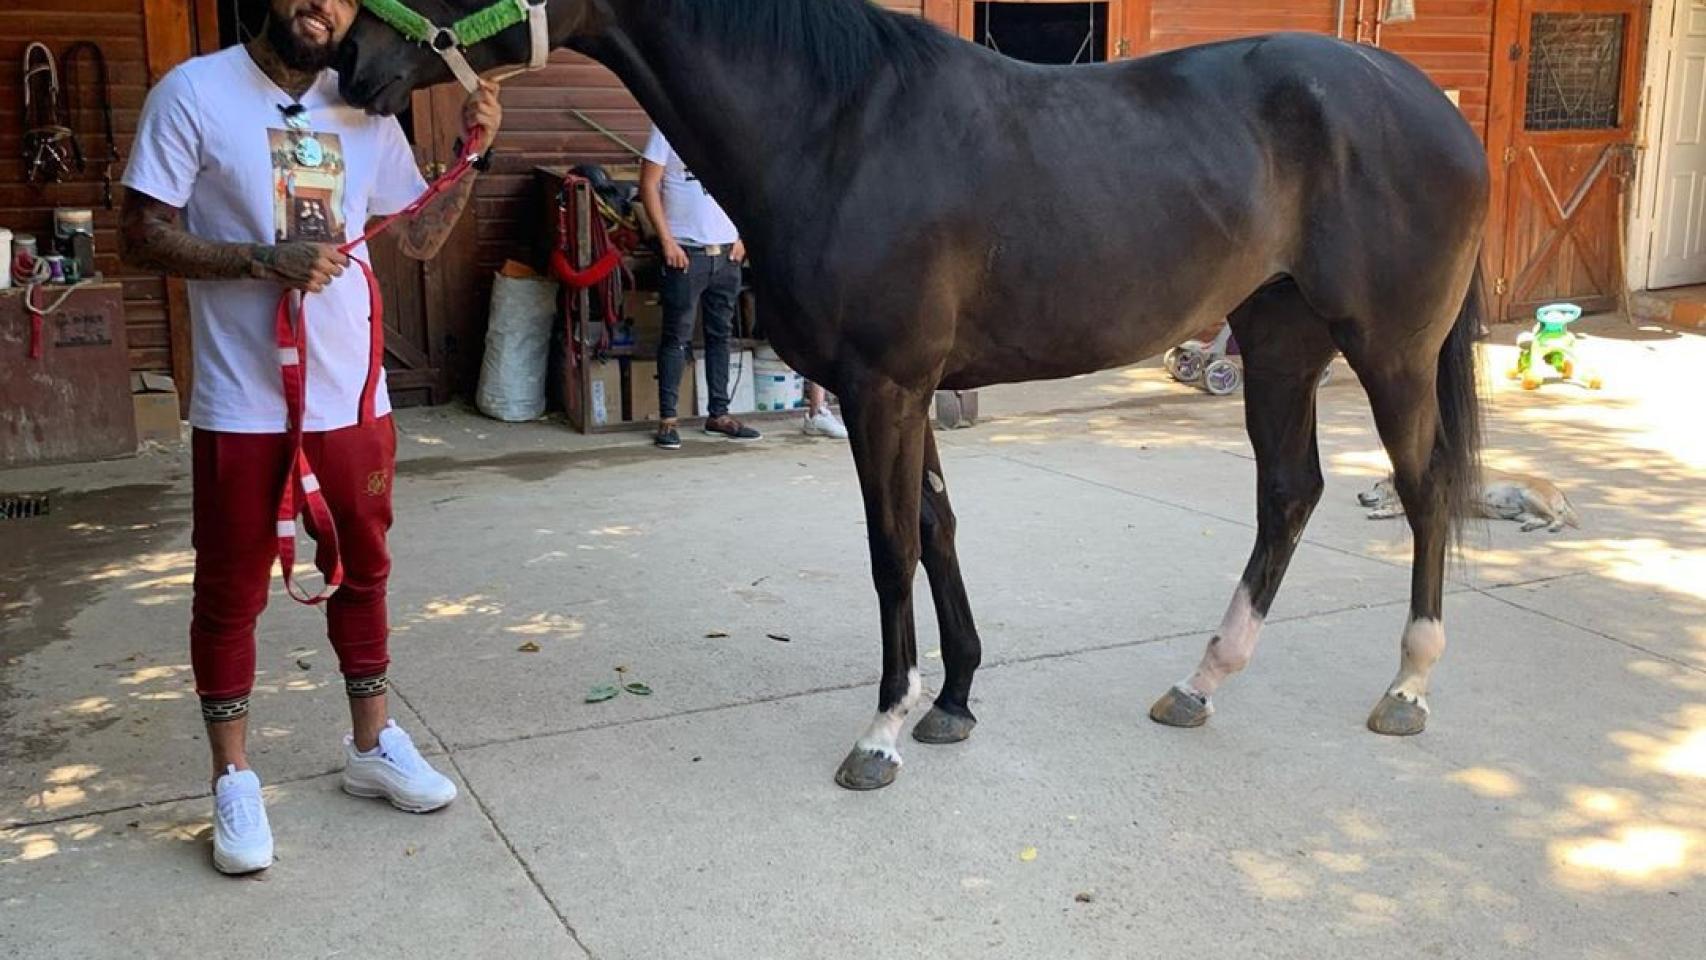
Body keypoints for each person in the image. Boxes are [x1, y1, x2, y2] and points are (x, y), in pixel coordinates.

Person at [119, 0, 500, 875]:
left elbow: (423, 237)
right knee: (229, 593)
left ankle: (370, 747)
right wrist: (262, 258)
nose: (319, 4)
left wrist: (472, 155)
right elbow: (139, 234)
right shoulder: (195, 93)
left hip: (354, 399)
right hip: (242, 405)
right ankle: (234, 778)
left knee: (364, 573)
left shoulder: (366, 103)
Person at [639, 124, 763, 449]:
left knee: (719, 335)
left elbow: (747, 185)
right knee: (676, 336)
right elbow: (649, 185)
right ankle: (668, 420)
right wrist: (666, 241)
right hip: (685, 252)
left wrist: (743, 237)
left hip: (726, 254)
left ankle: (718, 414)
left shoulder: (723, 127)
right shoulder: (665, 128)